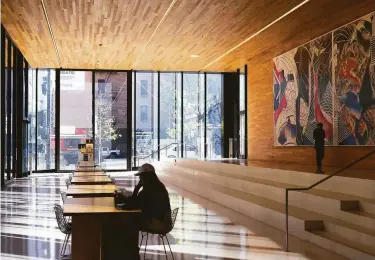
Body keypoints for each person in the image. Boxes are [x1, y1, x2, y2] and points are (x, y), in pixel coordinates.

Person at [132, 163, 171, 232]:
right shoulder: (160, 186)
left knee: (127, 219)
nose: (139, 178)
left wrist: (137, 188)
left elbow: (134, 204)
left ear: (145, 176)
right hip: (166, 224)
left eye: (140, 176)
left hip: (154, 225)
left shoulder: (147, 191)